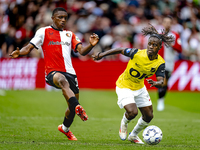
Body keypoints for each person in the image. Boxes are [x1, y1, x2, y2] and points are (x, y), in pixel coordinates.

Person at [9, 7, 99, 141]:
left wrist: (91, 45)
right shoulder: (43, 31)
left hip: (71, 73)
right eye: (60, 17)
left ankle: (65, 128)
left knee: (71, 108)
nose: (63, 20)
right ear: (53, 18)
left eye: (65, 18)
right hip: (53, 72)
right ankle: (78, 107)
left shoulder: (70, 35)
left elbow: (82, 51)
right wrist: (19, 53)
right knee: (62, 81)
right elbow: (28, 47)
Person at [92, 24, 174, 144]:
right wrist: (101, 54)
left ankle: (133, 135)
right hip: (124, 85)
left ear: (159, 47)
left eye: (154, 45)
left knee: (149, 116)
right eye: (149, 43)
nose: (151, 46)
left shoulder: (160, 63)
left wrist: (157, 83)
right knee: (133, 112)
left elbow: (162, 81)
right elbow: (120, 50)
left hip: (139, 87)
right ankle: (124, 124)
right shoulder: (137, 53)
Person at [157, 16, 182, 111]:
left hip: (170, 62)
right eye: (165, 22)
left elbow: (180, 49)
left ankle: (161, 98)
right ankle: (160, 101)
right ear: (163, 23)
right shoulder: (158, 34)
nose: (167, 24)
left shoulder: (175, 35)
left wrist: (172, 45)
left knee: (165, 82)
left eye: (169, 22)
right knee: (162, 80)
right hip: (159, 61)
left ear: (171, 24)